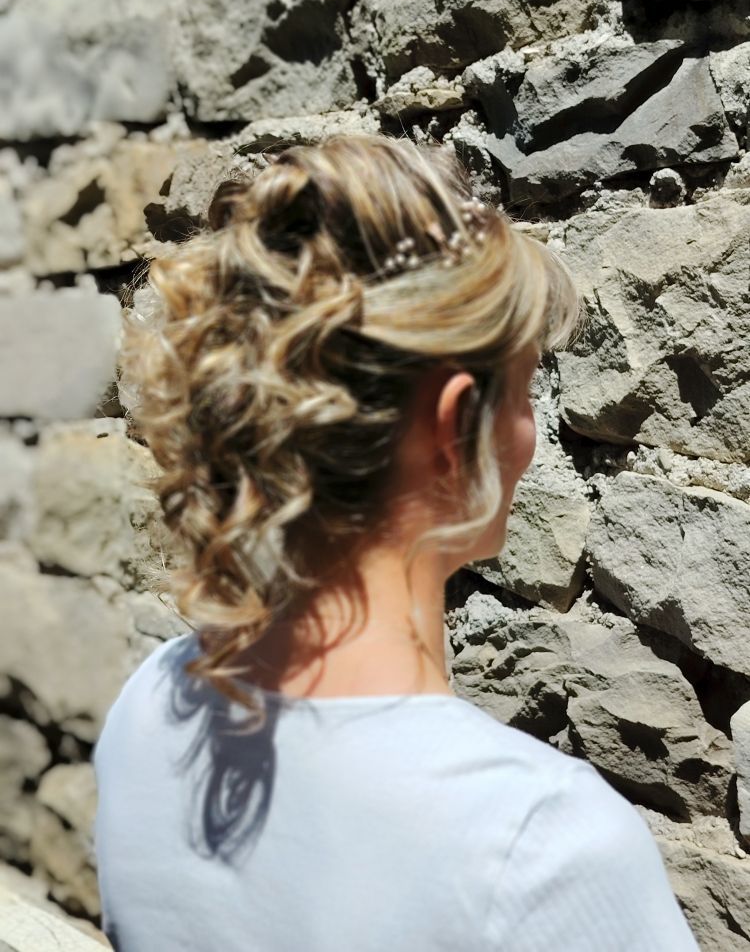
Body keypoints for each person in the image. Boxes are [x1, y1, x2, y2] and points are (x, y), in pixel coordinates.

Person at [93, 134, 699, 951]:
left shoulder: (151, 704)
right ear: (453, 426)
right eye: (524, 391)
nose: (531, 434)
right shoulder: (542, 845)